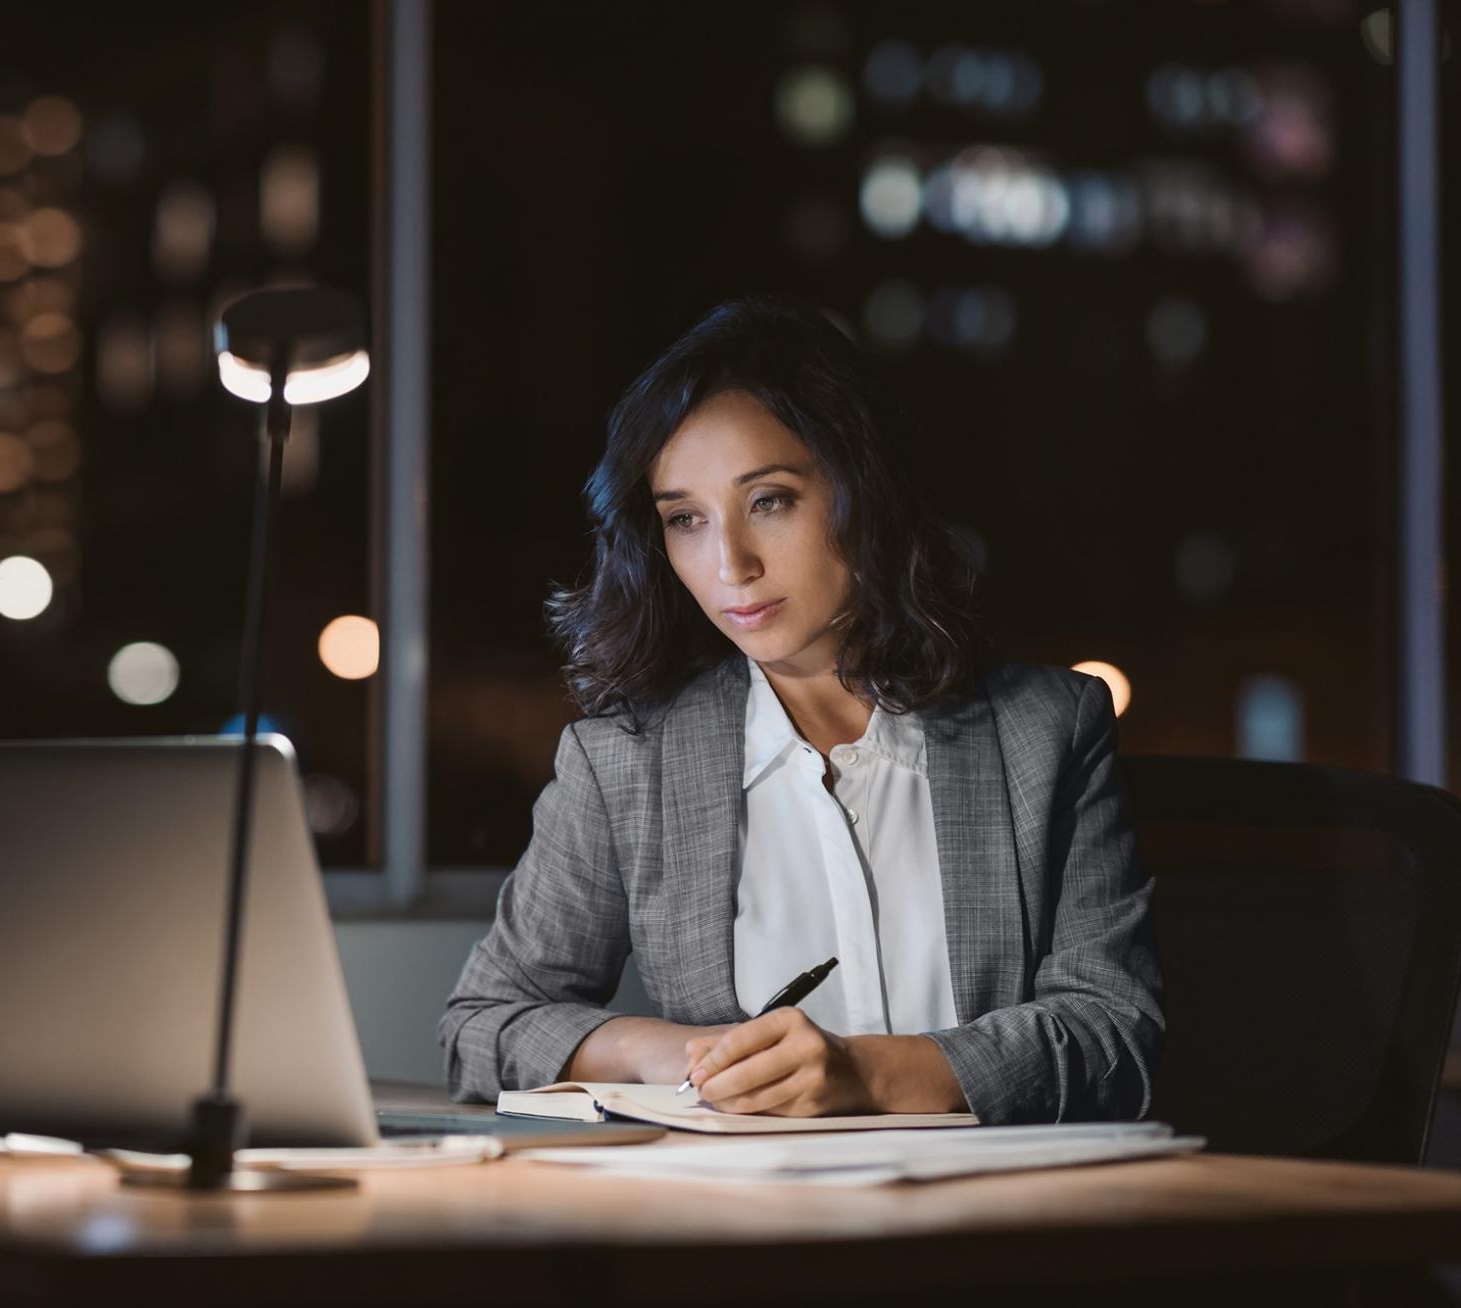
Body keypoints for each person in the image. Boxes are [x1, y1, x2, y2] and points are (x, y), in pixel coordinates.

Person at [437, 295, 1162, 1124]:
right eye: (685, 520)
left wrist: (874, 1075)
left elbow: (1117, 1036)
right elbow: (481, 1026)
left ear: (865, 488)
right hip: (748, 1232)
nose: (729, 564)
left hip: (994, 1227)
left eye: (770, 500)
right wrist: (667, 1051)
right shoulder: (628, 760)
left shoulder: (1047, 730)